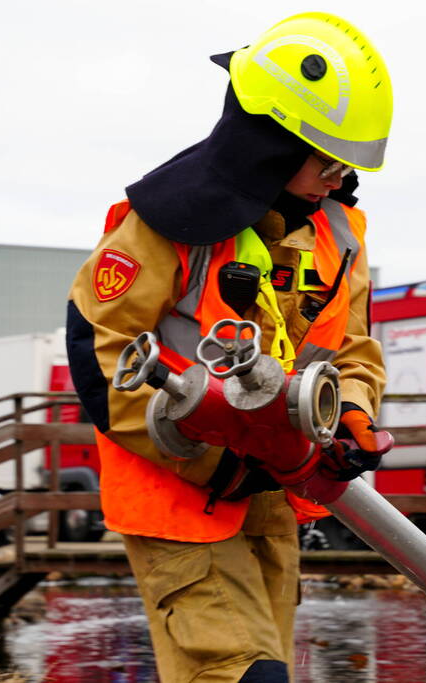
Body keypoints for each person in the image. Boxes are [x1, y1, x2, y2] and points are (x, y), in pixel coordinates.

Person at [65, 12, 392, 682]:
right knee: (244, 674)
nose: (338, 178)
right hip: (179, 498)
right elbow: (98, 354)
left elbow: (351, 351)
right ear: (269, 141)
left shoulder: (339, 235)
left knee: (265, 666)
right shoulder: (165, 224)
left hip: (272, 495)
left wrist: (351, 411)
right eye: (327, 159)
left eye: (347, 164)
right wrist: (212, 461)